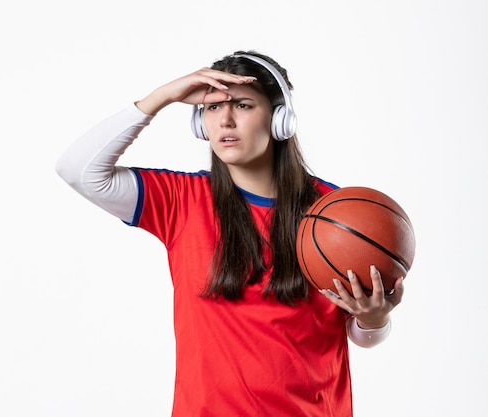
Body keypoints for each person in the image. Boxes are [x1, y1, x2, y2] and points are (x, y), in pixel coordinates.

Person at [55, 50, 404, 417]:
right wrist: (162, 96)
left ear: (280, 119)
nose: (225, 120)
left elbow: (361, 335)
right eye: (211, 107)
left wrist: (375, 318)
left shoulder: (335, 214)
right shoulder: (181, 201)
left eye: (242, 105)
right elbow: (77, 169)